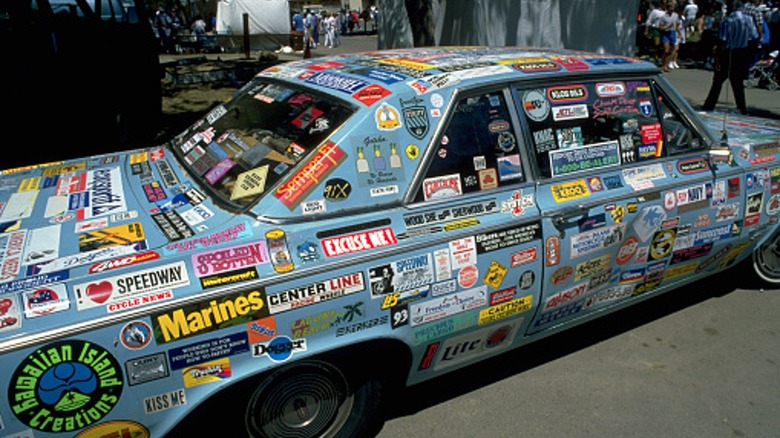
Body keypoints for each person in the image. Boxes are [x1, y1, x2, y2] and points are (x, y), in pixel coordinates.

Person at [702, 0, 760, 115]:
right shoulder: (748, 20)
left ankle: (709, 105)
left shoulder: (727, 21)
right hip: (741, 53)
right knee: (737, 83)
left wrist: (718, 58)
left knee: (717, 82)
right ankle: (742, 108)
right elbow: (753, 38)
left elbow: (722, 41)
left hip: (728, 53)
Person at [658, 1, 683, 71]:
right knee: (666, 50)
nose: (672, 9)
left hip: (673, 33)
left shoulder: (675, 15)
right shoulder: (663, 17)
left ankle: (666, 64)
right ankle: (664, 65)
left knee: (670, 50)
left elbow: (677, 25)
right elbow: (660, 27)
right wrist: (667, 27)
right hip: (666, 33)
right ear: (668, 8)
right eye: (671, 7)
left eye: (673, 7)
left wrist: (680, 34)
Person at [645, 1, 666, 65]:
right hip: (656, 28)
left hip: (665, 29)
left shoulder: (667, 12)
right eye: (663, 3)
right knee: (657, 44)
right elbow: (649, 20)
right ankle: (655, 56)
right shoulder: (655, 11)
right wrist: (646, 30)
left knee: (664, 45)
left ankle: (663, 59)